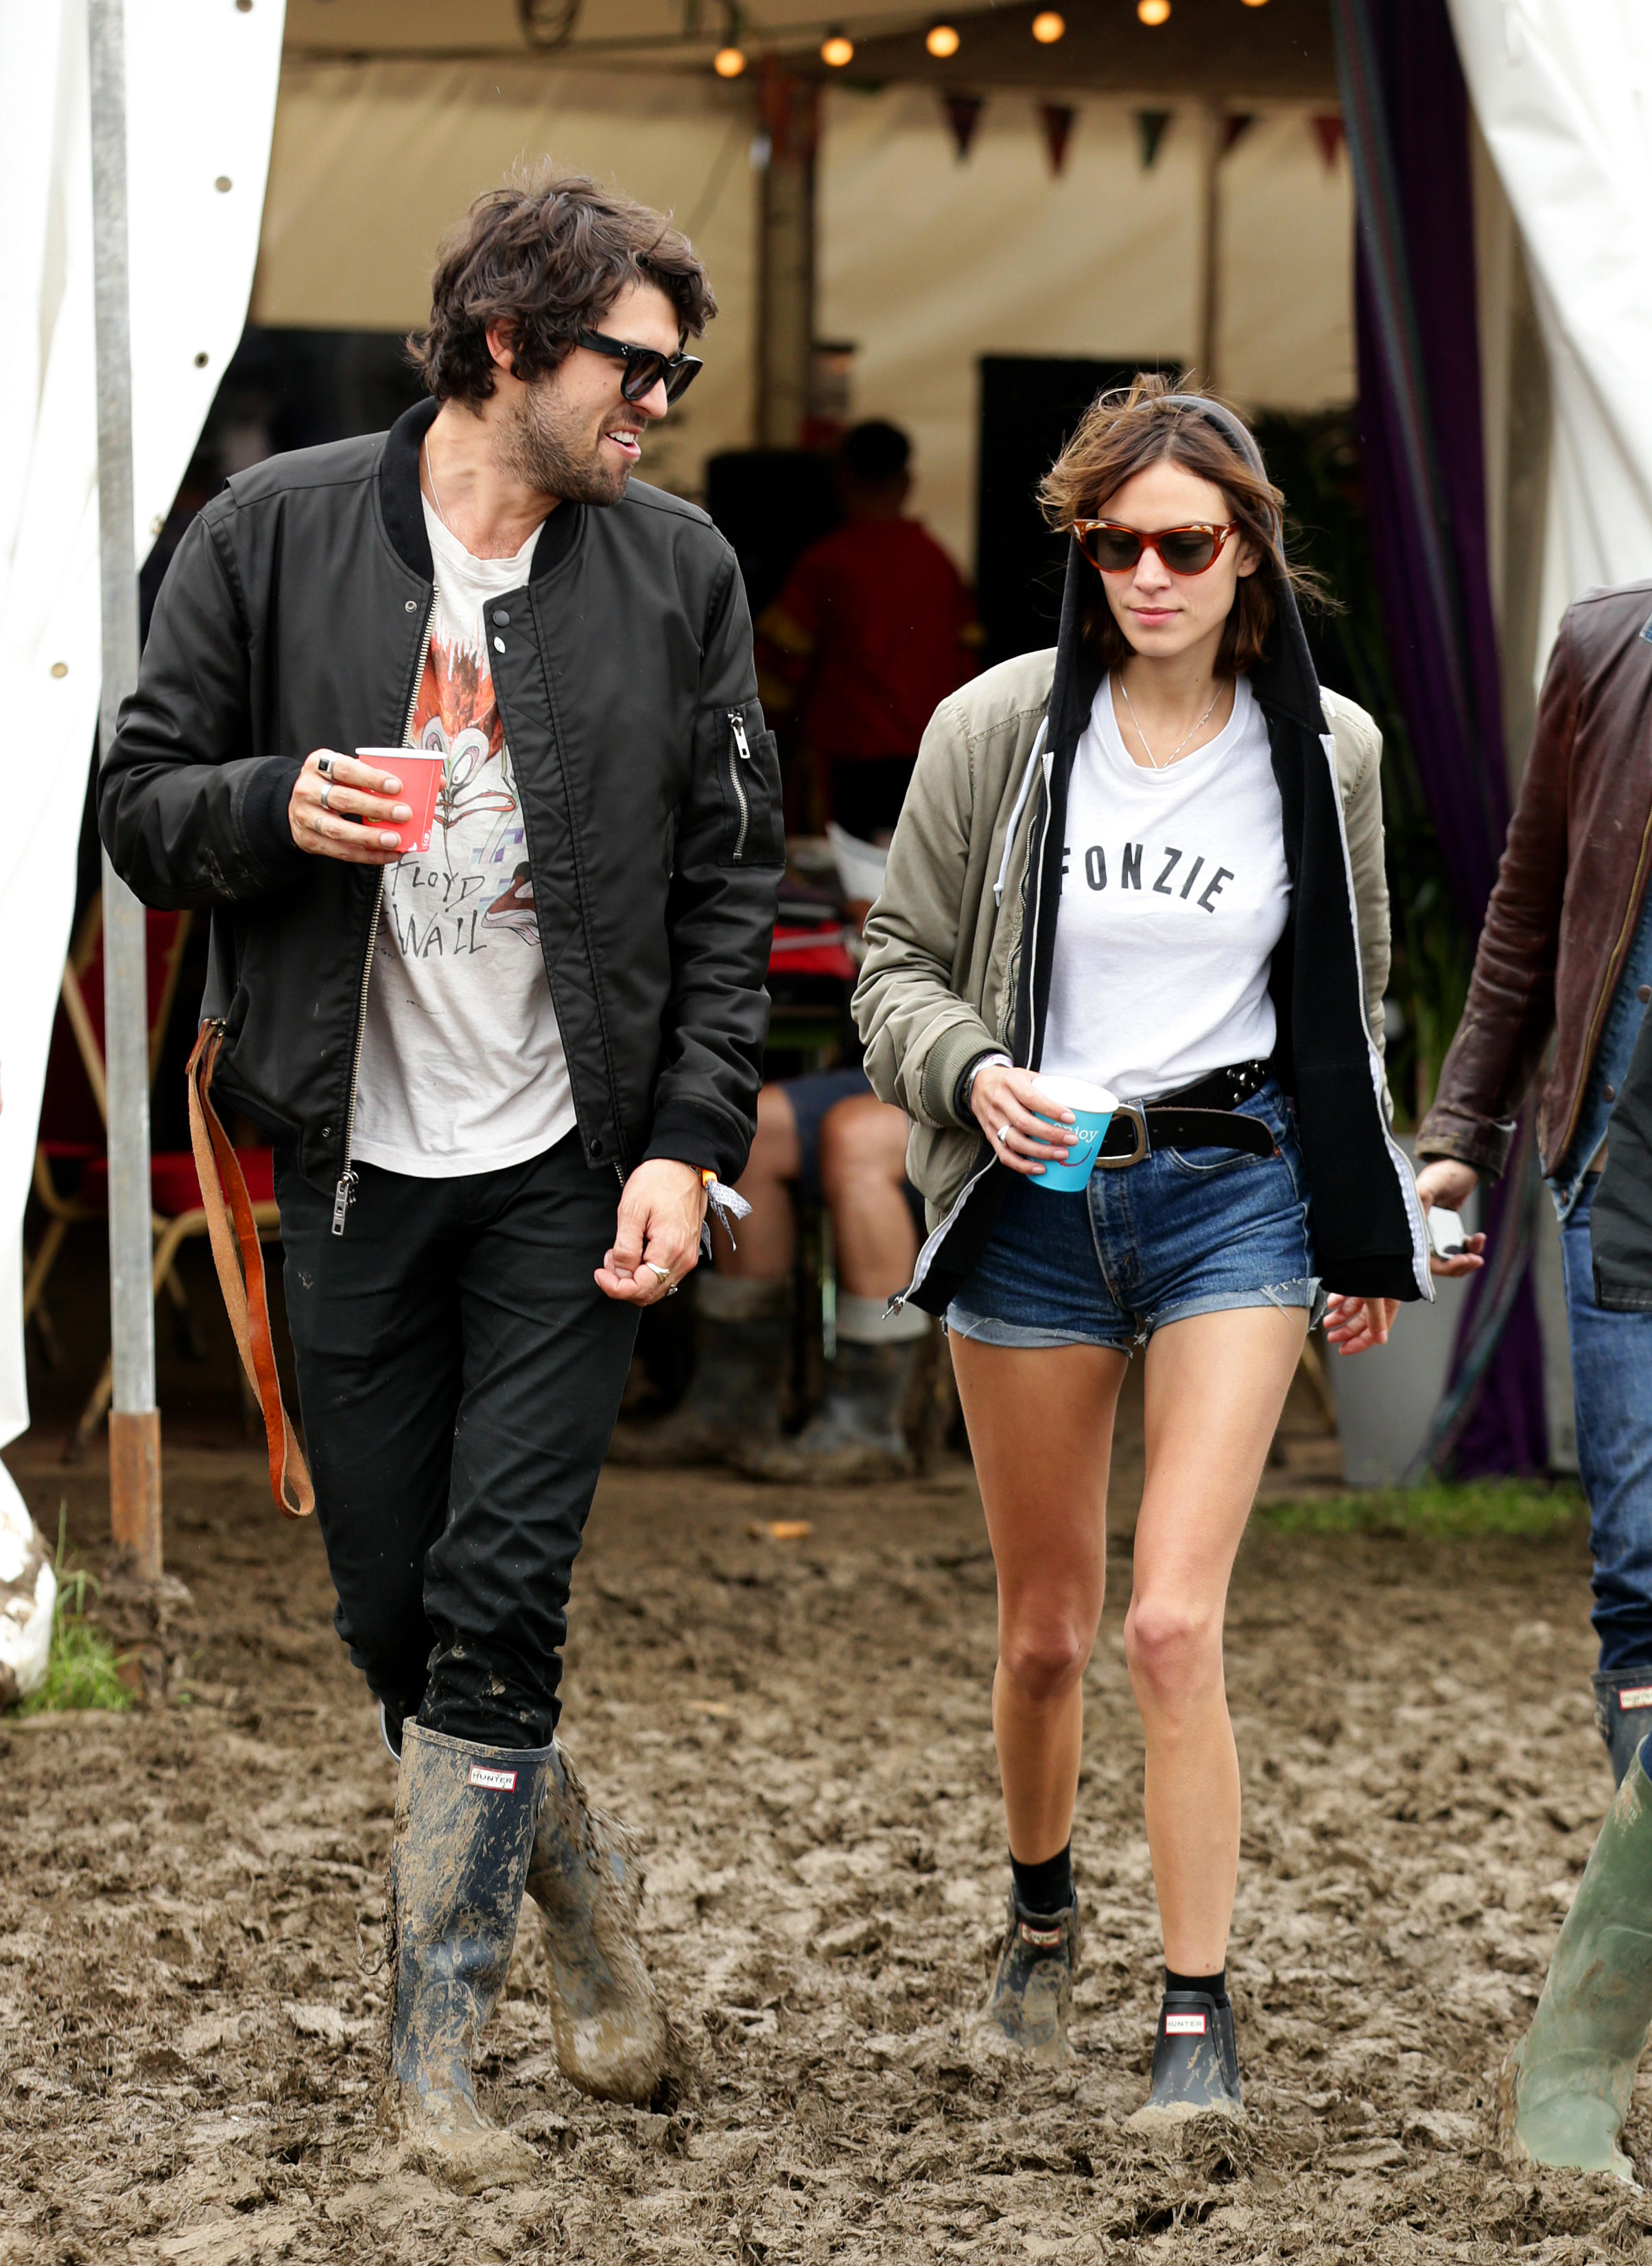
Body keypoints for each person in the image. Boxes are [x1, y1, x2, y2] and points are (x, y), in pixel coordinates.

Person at [99, 170, 782, 2188]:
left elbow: (733, 873)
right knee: (390, 1607)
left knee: (497, 1595)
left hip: (573, 1167)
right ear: (506, 342)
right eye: (632, 363)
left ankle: (438, 2054)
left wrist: (687, 1136)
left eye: (675, 369)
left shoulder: (678, 570)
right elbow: (137, 803)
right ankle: (571, 1880)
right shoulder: (271, 529)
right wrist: (275, 803)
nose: (659, 400)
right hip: (341, 1156)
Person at [853, 375, 1453, 2123]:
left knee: (1168, 1623)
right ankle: (1043, 1911)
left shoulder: (1329, 746)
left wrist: (1369, 1207)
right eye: (1115, 544)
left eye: (1186, 543)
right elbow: (898, 964)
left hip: (1235, 1189)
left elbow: (1348, 1000)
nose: (1150, 576)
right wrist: (972, 1068)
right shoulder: (995, 730)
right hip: (1035, 1202)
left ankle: (1199, 2008)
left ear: (1250, 555)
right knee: (1043, 1631)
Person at [1415, 583, 1652, 1787]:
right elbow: (1526, 906)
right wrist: (1460, 1124)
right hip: (1624, 1174)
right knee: (1642, 1583)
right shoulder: (1607, 643)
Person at [617, 1065, 928, 1480]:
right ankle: (731, 1412)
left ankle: (867, 1427)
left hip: (1003, 1079)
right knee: (751, 1131)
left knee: (857, 1139)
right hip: (911, 1065)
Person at [757, 419, 979, 840]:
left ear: (843, 480)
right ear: (907, 482)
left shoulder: (823, 566)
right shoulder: (940, 566)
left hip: (841, 775)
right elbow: (971, 672)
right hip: (929, 769)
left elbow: (773, 677)